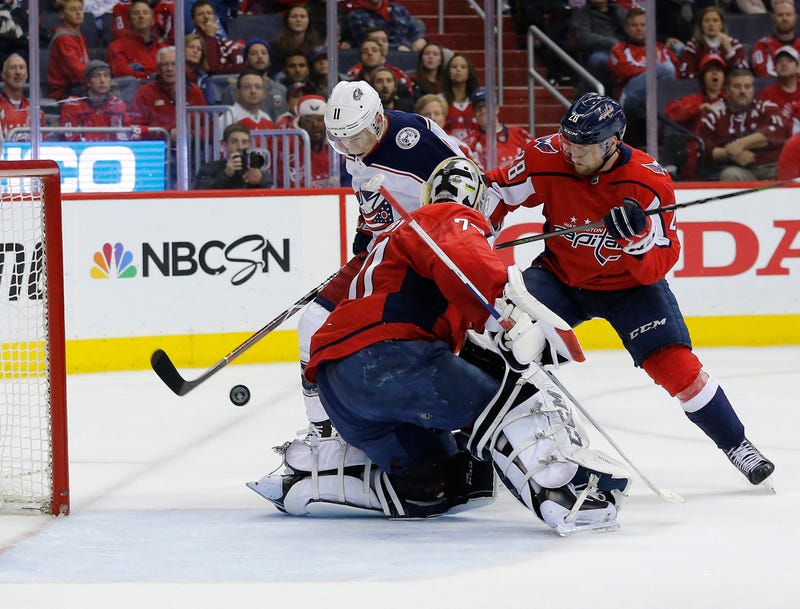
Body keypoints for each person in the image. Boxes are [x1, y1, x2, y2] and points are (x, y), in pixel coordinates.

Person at [249, 156, 632, 534]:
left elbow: (316, 319)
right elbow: (468, 263)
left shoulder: (386, 244)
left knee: (439, 480)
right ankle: (564, 494)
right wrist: (508, 316)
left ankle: (311, 474)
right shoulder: (447, 216)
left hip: (341, 389)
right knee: (517, 396)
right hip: (391, 360)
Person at [483, 92, 775, 488]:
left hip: (631, 289)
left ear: (612, 143)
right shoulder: (546, 155)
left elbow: (660, 262)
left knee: (679, 370)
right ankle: (483, 447)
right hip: (559, 277)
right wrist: (480, 234)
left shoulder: (648, 181)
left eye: (583, 146)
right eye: (567, 141)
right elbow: (497, 191)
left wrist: (637, 240)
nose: (571, 153)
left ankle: (737, 444)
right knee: (502, 343)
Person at [293, 80, 465, 441]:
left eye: (353, 138)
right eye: (339, 139)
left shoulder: (416, 143)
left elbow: (470, 190)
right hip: (381, 251)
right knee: (311, 324)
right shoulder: (356, 144)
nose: (347, 147)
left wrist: (463, 244)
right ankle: (322, 430)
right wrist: (364, 232)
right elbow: (373, 201)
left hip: (426, 259)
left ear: (376, 121)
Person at [696, 68, 788, 180]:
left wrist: (739, 145)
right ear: (727, 91)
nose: (743, 91)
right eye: (736, 87)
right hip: (742, 171)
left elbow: (778, 131)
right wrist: (730, 154)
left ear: (753, 90)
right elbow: (705, 149)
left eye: (747, 87)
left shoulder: (767, 108)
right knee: (729, 175)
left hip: (773, 168)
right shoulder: (715, 117)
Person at [608, 8, 678, 123]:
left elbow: (678, 72)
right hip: (630, 97)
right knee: (666, 68)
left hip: (657, 97)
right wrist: (655, 71)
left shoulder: (661, 49)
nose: (639, 29)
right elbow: (623, 71)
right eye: (634, 25)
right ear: (626, 28)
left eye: (643, 25)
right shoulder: (619, 49)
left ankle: (664, 116)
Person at [129, 46, 207, 141]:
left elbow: (206, 126)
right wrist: (167, 133)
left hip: (191, 146)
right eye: (165, 64)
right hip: (157, 147)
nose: (169, 69)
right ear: (158, 69)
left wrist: (191, 135)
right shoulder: (144, 93)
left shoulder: (194, 91)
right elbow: (137, 129)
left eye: (174, 64)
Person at [59, 60, 133, 142]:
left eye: (106, 76)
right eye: (96, 76)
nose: (102, 80)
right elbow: (72, 141)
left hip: (111, 149)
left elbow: (125, 137)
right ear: (88, 82)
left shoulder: (117, 104)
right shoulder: (72, 105)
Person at [462, 87, 533, 171]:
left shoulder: (520, 133)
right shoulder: (470, 144)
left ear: (496, 108)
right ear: (474, 113)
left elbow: (534, 158)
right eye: (478, 107)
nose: (483, 110)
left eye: (487, 105)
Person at [566, 0, 627, 93]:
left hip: (626, 49)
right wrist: (612, 43)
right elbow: (583, 37)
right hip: (600, 51)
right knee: (598, 59)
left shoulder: (620, 11)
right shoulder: (582, 13)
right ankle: (594, 97)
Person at [221, 39, 288, 121]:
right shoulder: (231, 91)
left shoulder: (281, 90)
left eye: (264, 53)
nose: (260, 56)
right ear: (246, 61)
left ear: (269, 61)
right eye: (254, 53)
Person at [192, 122, 273, 189]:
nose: (240, 147)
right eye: (234, 142)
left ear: (249, 145)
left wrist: (259, 182)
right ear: (224, 145)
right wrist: (226, 174)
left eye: (244, 142)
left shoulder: (257, 170)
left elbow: (270, 194)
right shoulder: (209, 168)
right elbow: (201, 195)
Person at [678, 5, 748, 80]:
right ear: (701, 25)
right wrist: (707, 79)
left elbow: (744, 72)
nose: (711, 24)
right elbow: (685, 74)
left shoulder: (734, 44)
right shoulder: (693, 46)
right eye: (707, 21)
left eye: (715, 20)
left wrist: (730, 51)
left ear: (721, 24)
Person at [106, 0, 167, 82]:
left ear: (152, 21)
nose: (141, 16)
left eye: (145, 13)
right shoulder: (117, 47)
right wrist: (151, 77)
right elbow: (122, 74)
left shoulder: (163, 49)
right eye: (136, 13)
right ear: (128, 22)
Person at [344, 37, 415, 99]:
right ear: (360, 59)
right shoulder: (352, 86)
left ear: (383, 58)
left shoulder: (399, 85)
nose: (370, 53)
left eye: (374, 50)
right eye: (365, 51)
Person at [46, 0, 90, 100]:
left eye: (80, 9)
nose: (78, 13)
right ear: (62, 14)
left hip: (79, 87)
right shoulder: (63, 39)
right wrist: (94, 77)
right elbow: (76, 73)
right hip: (64, 93)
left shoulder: (79, 36)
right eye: (72, 9)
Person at [344, 0, 427, 52]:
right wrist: (397, 48)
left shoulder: (398, 9)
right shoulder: (356, 16)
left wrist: (420, 39)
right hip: (385, 57)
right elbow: (365, 43)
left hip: (410, 53)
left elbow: (415, 30)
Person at [268, 3, 324, 78]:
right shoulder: (276, 45)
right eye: (294, 17)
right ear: (287, 21)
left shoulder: (316, 45)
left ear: (309, 21)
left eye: (302, 17)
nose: (298, 20)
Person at [190, 0, 244, 75]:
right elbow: (211, 68)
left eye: (209, 13)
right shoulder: (188, 45)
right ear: (193, 20)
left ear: (215, 18)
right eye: (200, 14)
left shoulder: (228, 45)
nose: (206, 17)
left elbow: (239, 70)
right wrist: (210, 36)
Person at [0, 53, 45, 141]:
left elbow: (44, 145)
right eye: (13, 68)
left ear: (26, 75)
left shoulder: (36, 112)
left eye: (21, 68)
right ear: (4, 74)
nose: (18, 72)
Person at [751, 0, 800, 78]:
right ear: (773, 18)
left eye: (788, 15)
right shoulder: (763, 44)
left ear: (795, 17)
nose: (785, 18)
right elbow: (762, 73)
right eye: (780, 15)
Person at [441, 52, 481, 141]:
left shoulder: (479, 100)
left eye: (463, 67)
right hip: (450, 147)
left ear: (469, 72)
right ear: (448, 72)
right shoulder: (439, 101)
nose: (458, 69)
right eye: (454, 67)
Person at [756, 45, 800, 120]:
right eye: (779, 61)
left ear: (798, 68)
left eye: (789, 61)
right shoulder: (767, 94)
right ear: (775, 68)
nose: (783, 64)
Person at [185, 32, 215, 104]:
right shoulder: (173, 74)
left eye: (199, 49)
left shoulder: (204, 78)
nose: (195, 51)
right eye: (191, 47)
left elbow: (210, 105)